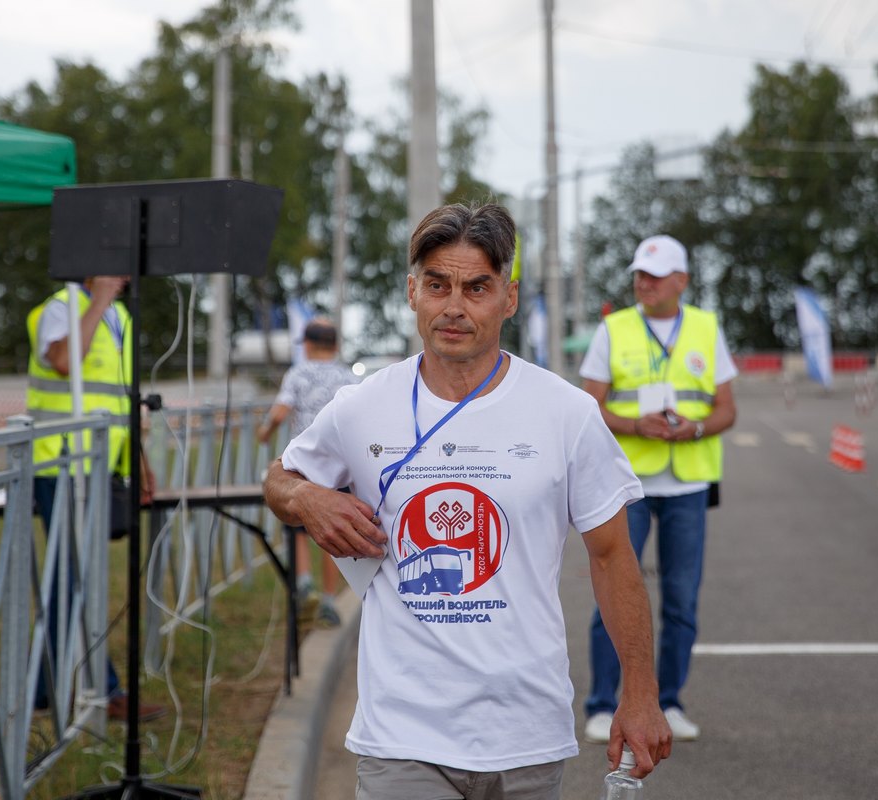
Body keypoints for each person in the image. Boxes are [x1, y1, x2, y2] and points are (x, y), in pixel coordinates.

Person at [264, 202, 671, 799]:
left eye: (476, 287)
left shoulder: (566, 413)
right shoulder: (362, 405)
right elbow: (278, 478)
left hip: (526, 735)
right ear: (412, 292)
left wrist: (640, 694)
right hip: (402, 735)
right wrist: (306, 498)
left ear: (507, 299)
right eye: (437, 285)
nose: (453, 306)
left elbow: (612, 558)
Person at [579, 234, 737, 744]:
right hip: (629, 486)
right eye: (638, 275)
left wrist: (691, 429)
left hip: (688, 485)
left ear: (681, 281)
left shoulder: (708, 329)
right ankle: (604, 704)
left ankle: (669, 701)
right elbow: (590, 408)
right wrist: (633, 425)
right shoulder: (614, 328)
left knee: (680, 601)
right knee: (615, 593)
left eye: (653, 275)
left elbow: (726, 410)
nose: (642, 283)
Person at [26, 275, 165, 722]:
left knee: (75, 578)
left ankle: (50, 690)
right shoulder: (61, 307)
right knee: (70, 578)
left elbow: (120, 400)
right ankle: (86, 691)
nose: (128, 274)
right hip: (62, 463)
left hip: (100, 465)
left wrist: (139, 462)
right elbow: (65, 360)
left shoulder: (118, 315)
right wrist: (98, 296)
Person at [257, 316, 359, 627]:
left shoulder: (298, 374)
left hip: (304, 464)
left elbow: (281, 411)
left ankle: (304, 583)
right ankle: (329, 598)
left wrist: (265, 432)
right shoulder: (347, 377)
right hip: (341, 464)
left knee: (298, 526)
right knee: (331, 532)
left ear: (310, 346)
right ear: (336, 346)